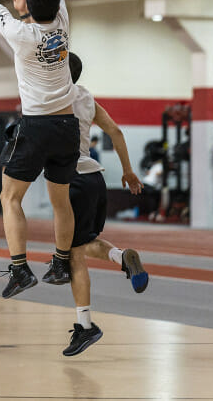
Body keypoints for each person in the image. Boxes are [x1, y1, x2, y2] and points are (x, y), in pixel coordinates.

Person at [0, 0, 79, 297]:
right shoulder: (64, 20)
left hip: (36, 127)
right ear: (56, 4)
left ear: (29, 10)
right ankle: (60, 262)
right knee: (61, 201)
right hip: (67, 126)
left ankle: (20, 269)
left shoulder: (21, 34)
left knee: (9, 198)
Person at [63, 52, 149, 356]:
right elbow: (115, 131)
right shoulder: (86, 97)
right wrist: (127, 170)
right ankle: (122, 257)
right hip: (95, 180)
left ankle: (84, 326)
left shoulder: (50, 96)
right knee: (84, 242)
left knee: (74, 255)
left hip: (70, 180)